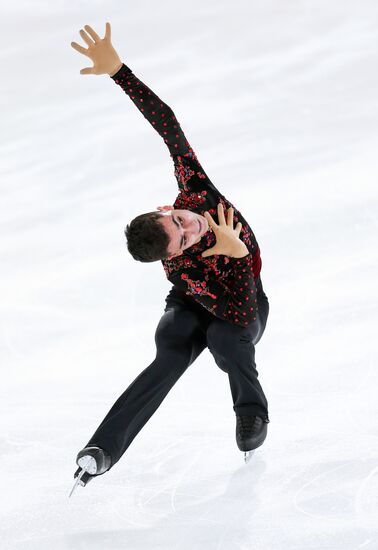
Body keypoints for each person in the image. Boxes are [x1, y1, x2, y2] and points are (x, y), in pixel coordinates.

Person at [69, 22, 270, 494]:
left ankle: (251, 412)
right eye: (181, 236)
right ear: (174, 255)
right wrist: (233, 251)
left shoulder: (195, 193)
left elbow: (168, 126)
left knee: (226, 340)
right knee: (172, 346)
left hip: (244, 304)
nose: (190, 226)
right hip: (200, 300)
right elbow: (212, 302)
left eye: (178, 219)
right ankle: (104, 448)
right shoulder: (185, 268)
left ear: (168, 206)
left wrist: (119, 72)